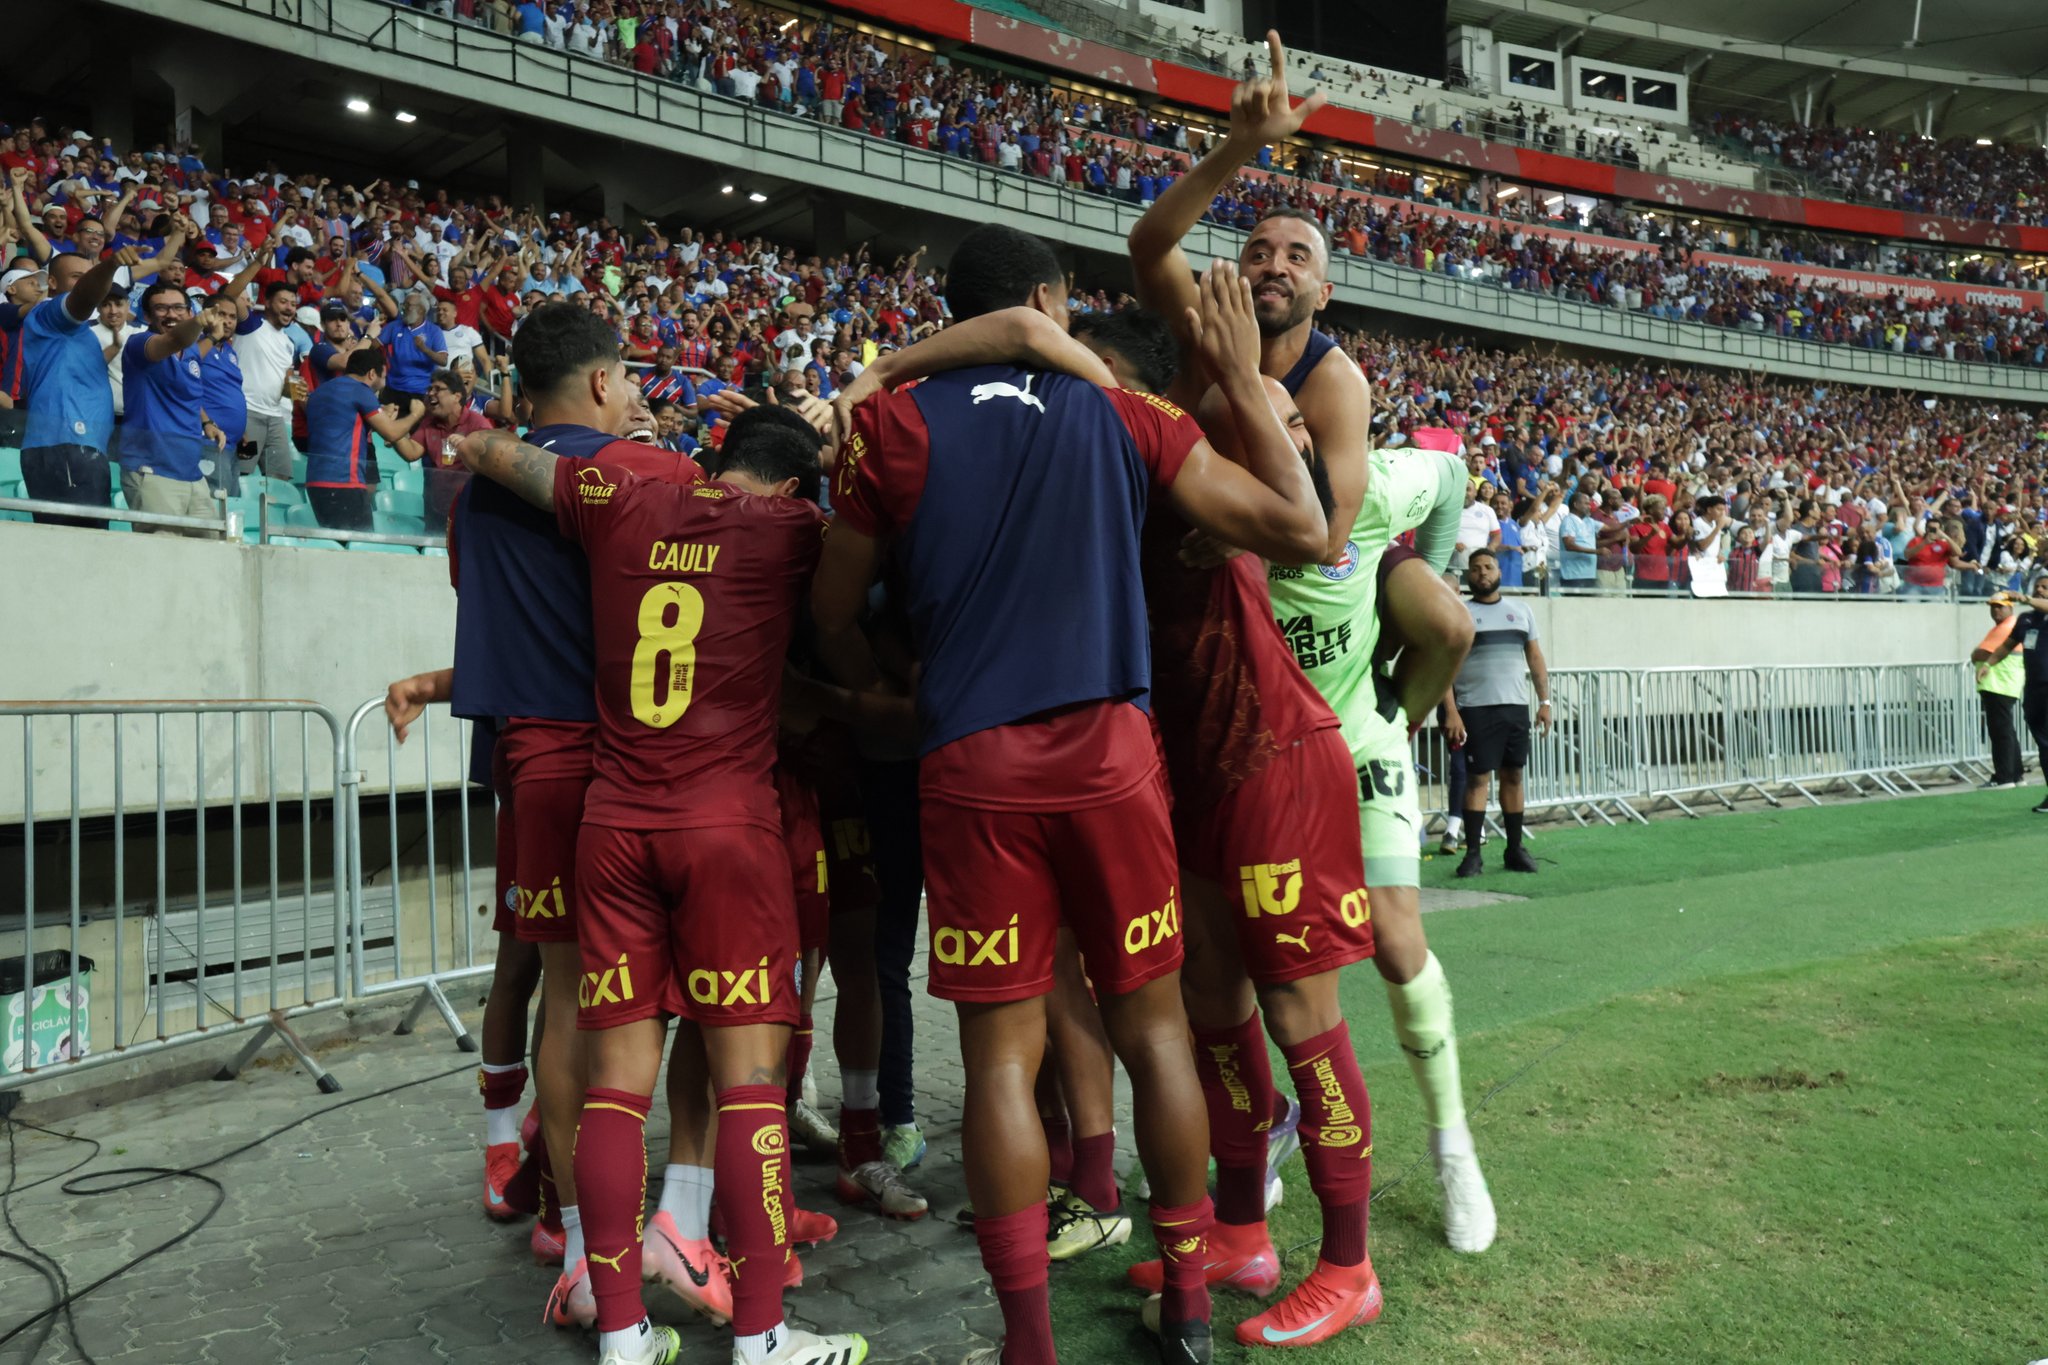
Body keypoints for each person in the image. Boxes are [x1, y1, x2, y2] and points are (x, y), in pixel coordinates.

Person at [813, 227, 1329, 1365]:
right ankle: (1189, 1300)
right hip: (1110, 754)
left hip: (970, 761)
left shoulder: (893, 423)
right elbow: (1303, 529)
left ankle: (1027, 1343)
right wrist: (1246, 382)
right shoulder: (1129, 415)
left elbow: (832, 606)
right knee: (1153, 1030)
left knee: (999, 1057)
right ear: (1049, 302)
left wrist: (874, 695)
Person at [1129, 37, 1492, 1259]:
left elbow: (1321, 534)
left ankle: (1426, 1172)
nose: (1272, 264)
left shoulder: (1333, 389)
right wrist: (1241, 148)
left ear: (1325, 293)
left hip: (1313, 717)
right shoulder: (1206, 325)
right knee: (1208, 987)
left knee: (1360, 960)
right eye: (1260, 247)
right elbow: (1145, 248)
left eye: (1298, 255)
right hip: (1201, 702)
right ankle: (1247, 1200)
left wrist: (1405, 622)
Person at [457, 384, 872, 1365]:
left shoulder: (622, 497)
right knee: (748, 1081)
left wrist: (478, 434)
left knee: (614, 1088)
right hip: (725, 829)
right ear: (789, 478)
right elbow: (875, 532)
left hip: (613, 827)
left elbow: (490, 453)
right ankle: (764, 1335)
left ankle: (624, 1334)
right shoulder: (794, 528)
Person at [1062, 306, 1382, 1347]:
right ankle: (1242, 1233)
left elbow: (1305, 498)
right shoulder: (1104, 483)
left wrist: (1249, 382)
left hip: (1274, 764)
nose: (1086, 406)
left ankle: (1349, 1266)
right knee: (1211, 1009)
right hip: (1189, 776)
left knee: (1299, 1019)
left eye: (1101, 383)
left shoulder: (1197, 458)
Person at [443, 304, 716, 1344]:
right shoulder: (645, 473)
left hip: (531, 760)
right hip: (633, 760)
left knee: (566, 992)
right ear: (602, 383)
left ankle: (566, 1223)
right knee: (678, 998)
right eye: (630, 380)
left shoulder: (477, 492)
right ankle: (676, 1221)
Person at [11, 246, 142, 524]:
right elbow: (82, 298)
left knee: (85, 547)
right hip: (66, 445)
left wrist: (111, 352)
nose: (86, 282)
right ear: (53, 283)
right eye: (77, 277)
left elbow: (71, 370)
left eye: (89, 275)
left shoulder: (76, 331)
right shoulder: (50, 312)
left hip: (77, 446)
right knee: (79, 548)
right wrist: (108, 267)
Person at [1445, 548, 1551, 876]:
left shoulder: (1521, 611)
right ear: (1469, 576)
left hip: (1515, 708)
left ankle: (1514, 849)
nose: (1482, 573)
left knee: (1514, 776)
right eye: (1475, 568)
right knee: (1477, 780)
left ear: (1499, 572)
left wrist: (1545, 702)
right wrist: (1451, 711)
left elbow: (1535, 658)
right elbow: (1444, 666)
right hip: (1475, 709)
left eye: (1488, 566)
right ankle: (1473, 854)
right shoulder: (1459, 613)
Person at [117, 280, 216, 531]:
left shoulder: (192, 352)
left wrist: (206, 422)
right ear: (147, 315)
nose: (171, 314)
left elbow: (187, 394)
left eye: (178, 308)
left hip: (192, 472)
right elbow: (173, 340)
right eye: (161, 309)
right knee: (162, 555)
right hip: (152, 470)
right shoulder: (140, 343)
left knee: (214, 552)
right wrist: (198, 324)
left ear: (189, 311)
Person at [301, 347, 423, 530]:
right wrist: (415, 414)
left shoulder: (319, 392)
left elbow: (344, 426)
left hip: (314, 483)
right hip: (345, 483)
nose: (384, 382)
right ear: (372, 373)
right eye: (384, 377)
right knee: (361, 547)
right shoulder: (361, 391)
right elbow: (391, 433)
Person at [1981, 573, 2048, 812]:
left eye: (2045, 587)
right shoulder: (2026, 619)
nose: (2040, 590)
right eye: (2037, 586)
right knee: (2043, 743)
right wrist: (1989, 664)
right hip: (2033, 690)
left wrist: (2026, 597)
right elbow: (2007, 646)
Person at [394, 367, 492, 527]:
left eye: (437, 389)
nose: (431, 393)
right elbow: (411, 452)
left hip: (469, 511)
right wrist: (394, 432)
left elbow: (490, 461)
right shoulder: (429, 422)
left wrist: (468, 445)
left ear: (456, 396)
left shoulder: (478, 424)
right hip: (436, 510)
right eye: (429, 389)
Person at [234, 279, 308, 479]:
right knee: (242, 471)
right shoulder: (251, 324)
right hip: (249, 414)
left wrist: (296, 390)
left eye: (293, 304)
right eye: (283, 302)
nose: (289, 308)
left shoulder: (289, 343)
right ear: (266, 302)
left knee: (280, 477)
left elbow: (285, 386)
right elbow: (230, 296)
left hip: (275, 418)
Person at [1971, 594, 2026, 790]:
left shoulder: (2005, 627)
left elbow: (1981, 653)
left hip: (1998, 684)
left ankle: (2004, 777)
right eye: (1993, 606)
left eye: (2000, 606)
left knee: (2000, 732)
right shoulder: (2008, 626)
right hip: (2004, 684)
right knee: (2007, 731)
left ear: (2010, 608)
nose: (1995, 610)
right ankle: (2016, 774)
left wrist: (1975, 654)